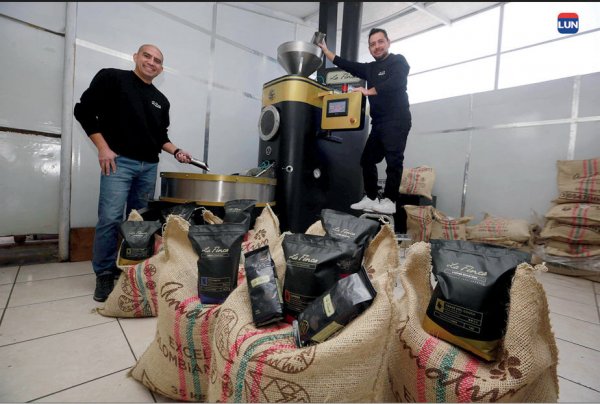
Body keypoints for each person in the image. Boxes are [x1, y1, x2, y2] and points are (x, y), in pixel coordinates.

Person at [74, 44, 193, 302]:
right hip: (119, 163)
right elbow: (83, 111)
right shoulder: (112, 78)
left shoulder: (161, 101)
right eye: (147, 56)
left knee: (140, 223)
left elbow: (160, 137)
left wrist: (177, 151)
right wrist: (103, 148)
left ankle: (133, 268)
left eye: (158, 60)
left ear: (161, 68)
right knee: (110, 218)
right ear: (136, 57)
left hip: (148, 166)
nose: (152, 62)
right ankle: (105, 273)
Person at [318, 28, 411, 215]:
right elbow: (347, 64)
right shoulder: (370, 68)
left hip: (397, 119)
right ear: (369, 48)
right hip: (379, 123)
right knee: (367, 160)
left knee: (394, 161)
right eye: (372, 44)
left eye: (380, 42)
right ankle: (370, 196)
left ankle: (390, 201)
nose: (376, 46)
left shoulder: (398, 61)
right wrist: (326, 52)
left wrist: (368, 91)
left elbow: (397, 82)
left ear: (388, 42)